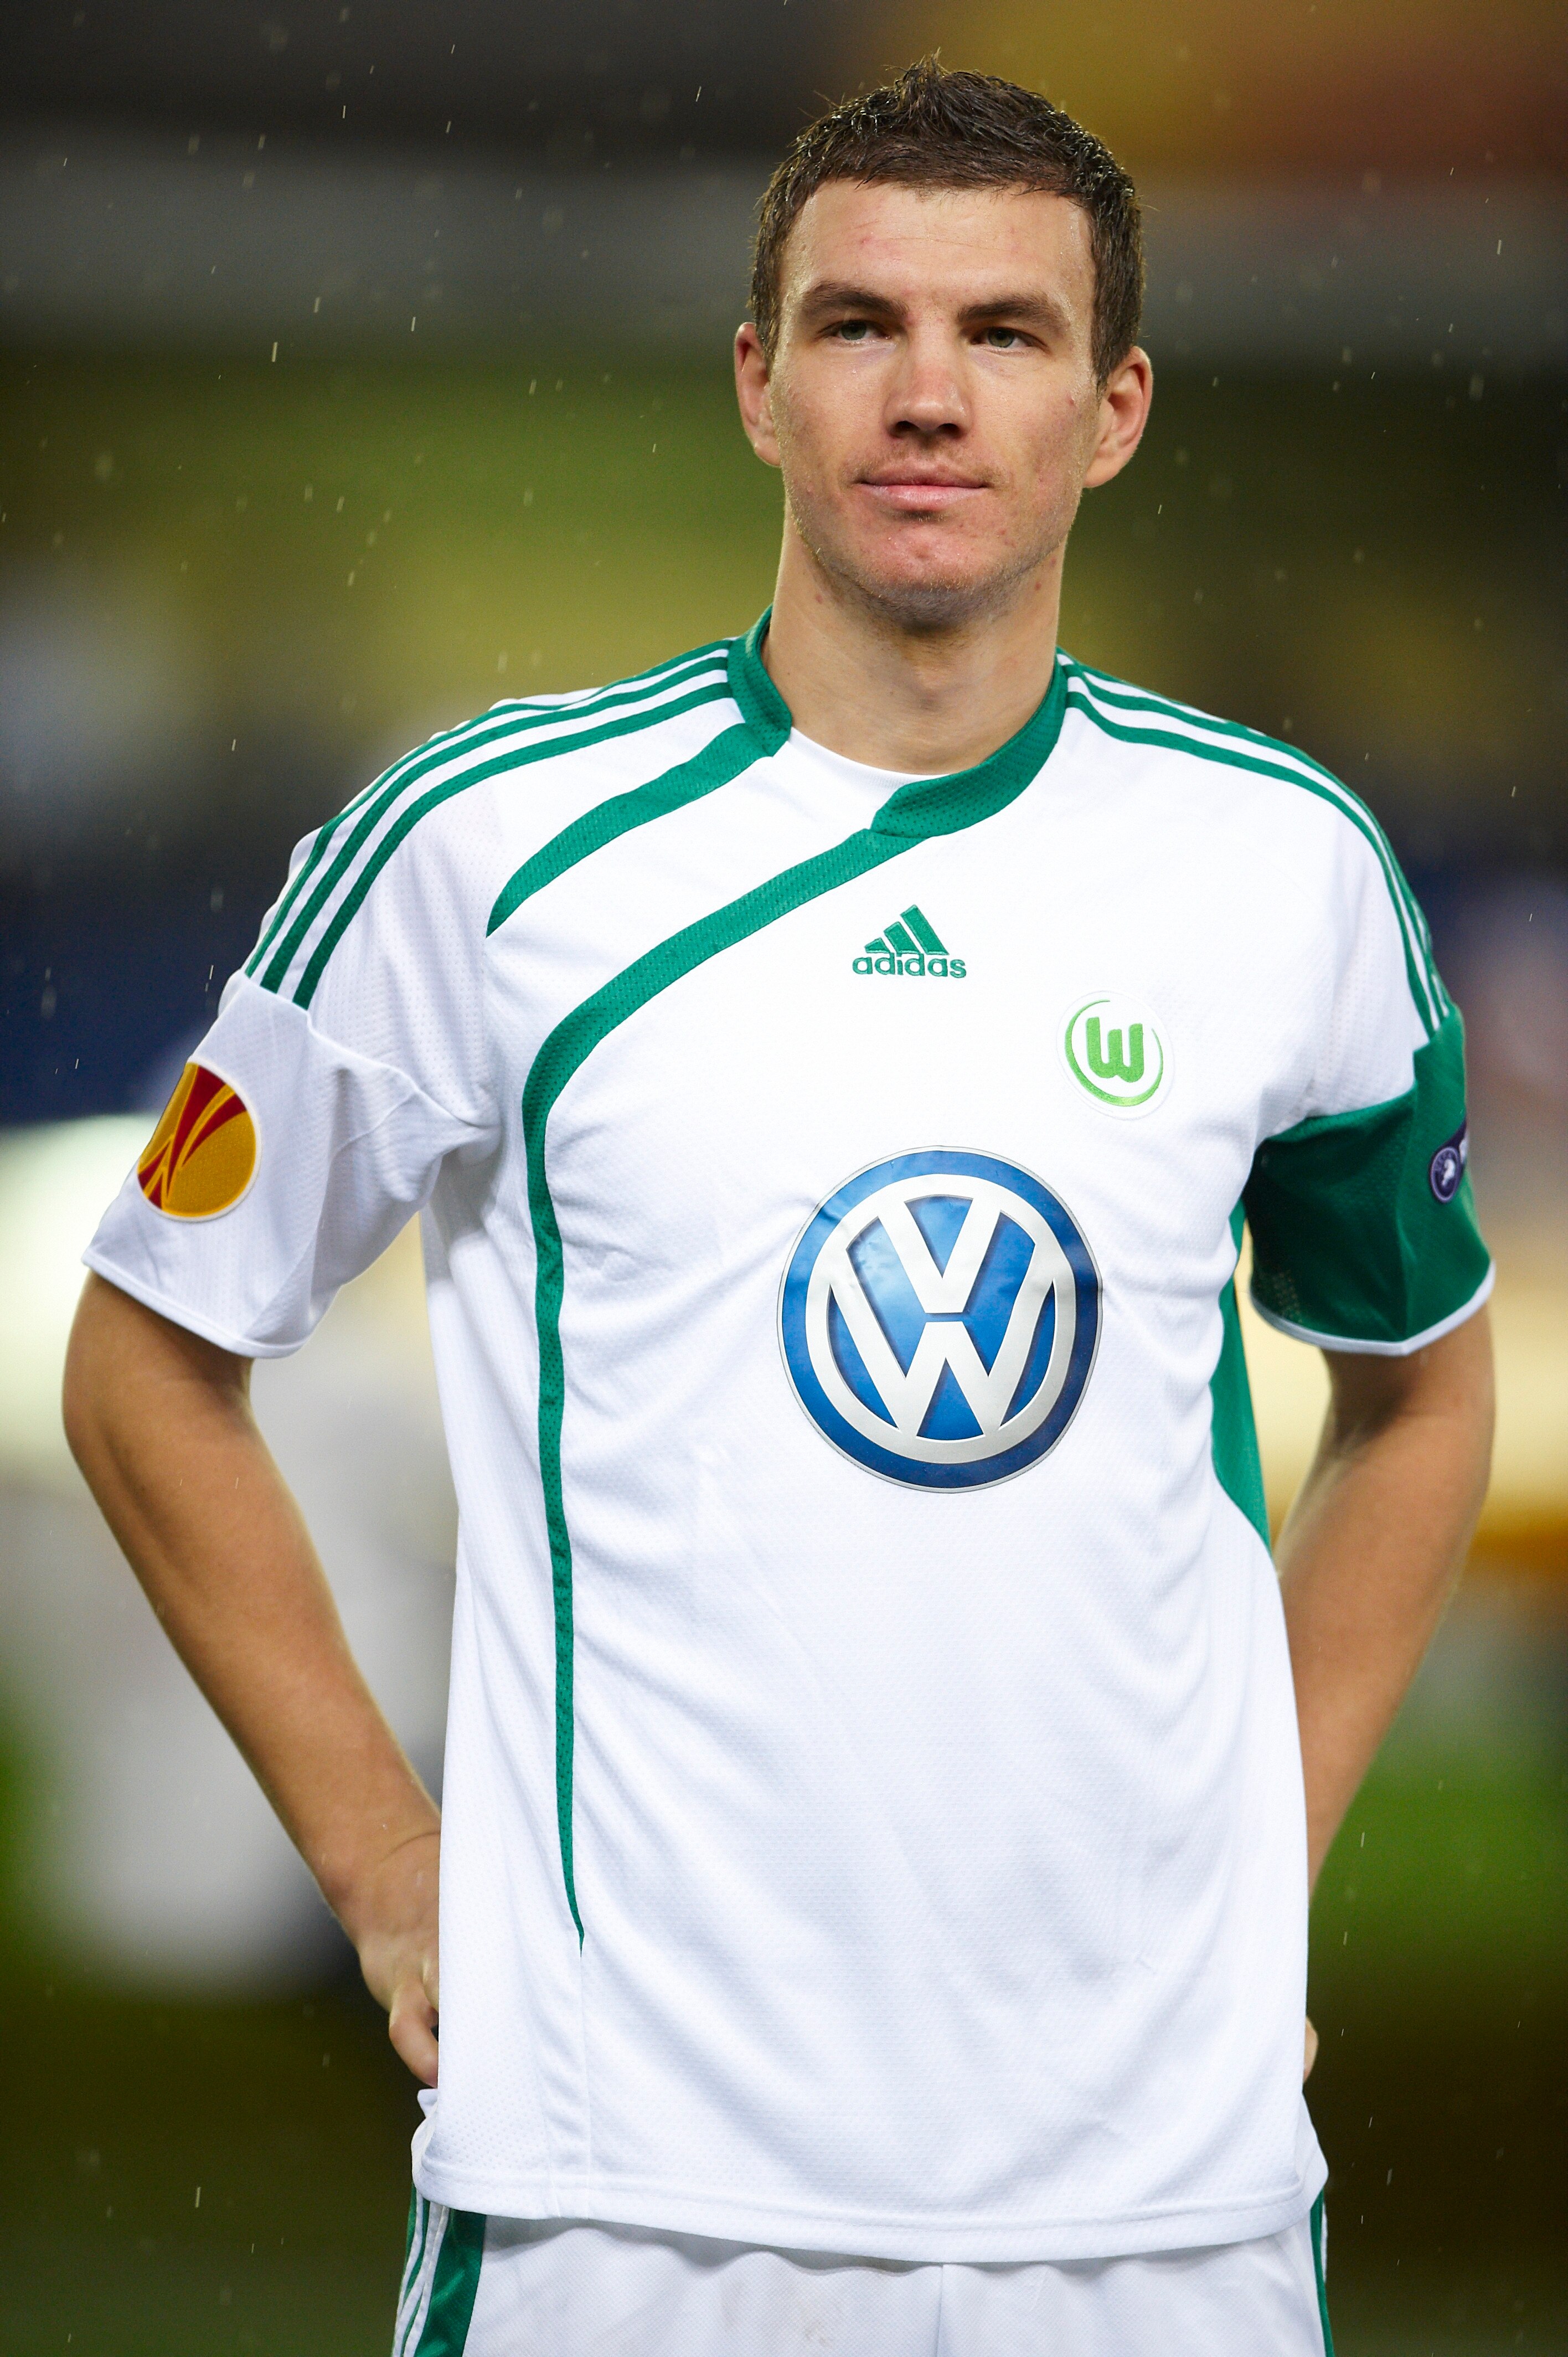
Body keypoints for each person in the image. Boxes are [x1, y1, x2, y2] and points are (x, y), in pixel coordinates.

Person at [64, 60, 1494, 2357]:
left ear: (1116, 407)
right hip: (619, 2188)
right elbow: (149, 1356)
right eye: (857, 326)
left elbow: (1418, 1398)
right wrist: (390, 1863)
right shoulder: (474, 848)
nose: (926, 395)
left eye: (1005, 336)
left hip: (1162, 2202)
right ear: (757, 383)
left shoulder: (1286, 871)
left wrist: (1258, 1877)